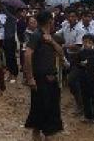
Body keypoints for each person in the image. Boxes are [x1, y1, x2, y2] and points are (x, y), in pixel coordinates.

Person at [24, 11, 64, 140]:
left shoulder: (52, 36)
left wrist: (52, 42)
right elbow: (27, 54)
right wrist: (30, 77)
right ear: (49, 21)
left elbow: (61, 53)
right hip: (39, 78)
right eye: (52, 20)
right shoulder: (36, 35)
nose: (54, 22)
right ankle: (37, 132)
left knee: (51, 106)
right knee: (39, 106)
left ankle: (48, 134)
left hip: (52, 76)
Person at [57, 9, 84, 114]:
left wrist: (64, 46)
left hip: (78, 57)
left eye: (73, 16)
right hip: (68, 56)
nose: (71, 18)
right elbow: (57, 34)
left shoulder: (80, 29)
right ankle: (80, 103)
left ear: (77, 17)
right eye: (69, 16)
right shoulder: (66, 26)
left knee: (72, 81)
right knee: (74, 82)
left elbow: (78, 46)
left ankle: (80, 105)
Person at [78, 33, 94, 123]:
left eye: (89, 42)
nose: (87, 44)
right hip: (83, 78)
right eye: (85, 42)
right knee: (85, 97)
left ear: (93, 43)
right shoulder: (81, 53)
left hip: (93, 79)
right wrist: (81, 64)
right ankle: (87, 116)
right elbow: (76, 64)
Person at [3, 6, 19, 83]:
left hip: (11, 40)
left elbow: (5, 10)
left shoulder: (12, 18)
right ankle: (9, 74)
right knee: (7, 58)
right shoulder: (7, 19)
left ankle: (14, 74)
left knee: (11, 58)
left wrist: (1, 4)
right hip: (6, 39)